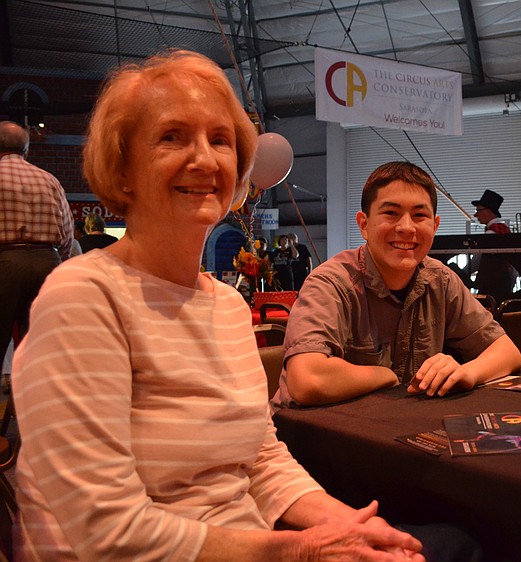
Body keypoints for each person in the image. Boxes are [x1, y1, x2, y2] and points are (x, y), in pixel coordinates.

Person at [12, 50, 425, 562]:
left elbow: (260, 457)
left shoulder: (228, 306)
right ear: (122, 170)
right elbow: (104, 530)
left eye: (221, 140)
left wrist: (348, 524)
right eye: (172, 137)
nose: (205, 159)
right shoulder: (83, 297)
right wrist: (298, 550)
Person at [276, 161, 521, 407]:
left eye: (419, 215)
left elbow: (507, 352)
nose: (406, 227)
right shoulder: (331, 283)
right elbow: (306, 380)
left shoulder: (440, 280)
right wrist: (385, 375)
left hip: (389, 427)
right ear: (364, 224)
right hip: (304, 437)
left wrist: (468, 372)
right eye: (391, 213)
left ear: (434, 226)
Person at [0, 120, 73, 380]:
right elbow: (67, 233)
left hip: (4, 262)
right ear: (26, 149)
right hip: (47, 261)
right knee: (41, 349)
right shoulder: (49, 180)